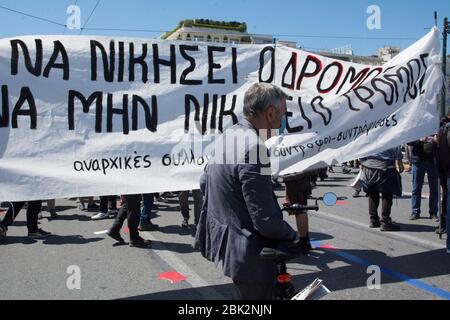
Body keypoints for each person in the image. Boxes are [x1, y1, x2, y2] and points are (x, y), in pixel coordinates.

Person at [195, 83, 299, 300]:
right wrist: (293, 235)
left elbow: (205, 181)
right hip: (251, 253)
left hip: (228, 242)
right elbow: (265, 219)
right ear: (270, 113)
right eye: (282, 115)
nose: (282, 122)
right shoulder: (255, 147)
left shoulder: (229, 134)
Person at [360, 147, 404, 231]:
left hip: (368, 166)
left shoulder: (368, 134)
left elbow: (362, 148)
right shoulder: (389, 134)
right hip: (385, 167)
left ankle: (373, 220)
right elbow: (396, 148)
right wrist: (400, 162)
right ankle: (385, 222)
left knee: (372, 193)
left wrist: (362, 162)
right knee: (387, 194)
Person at [407, 136, 439, 221]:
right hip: (418, 161)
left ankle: (433, 213)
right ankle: (415, 212)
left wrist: (438, 139)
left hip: (433, 161)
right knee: (416, 188)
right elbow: (408, 140)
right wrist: (420, 140)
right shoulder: (417, 124)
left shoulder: (438, 125)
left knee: (434, 189)